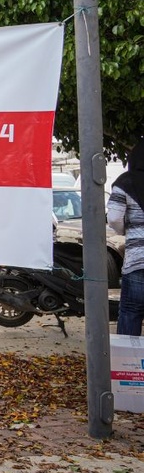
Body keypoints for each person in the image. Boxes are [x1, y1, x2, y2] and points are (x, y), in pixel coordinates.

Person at [108, 140, 144, 335]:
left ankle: (129, 364)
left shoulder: (125, 183)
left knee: (131, 312)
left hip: (138, 261)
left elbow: (113, 218)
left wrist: (124, 230)